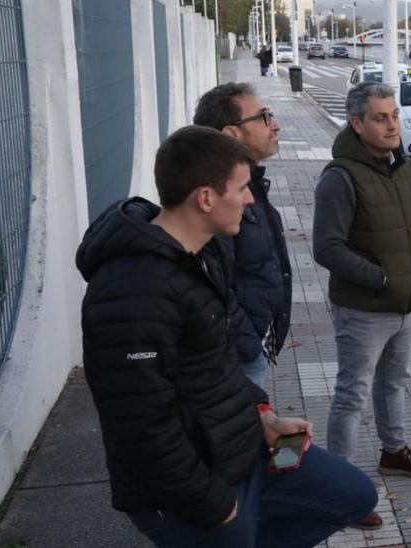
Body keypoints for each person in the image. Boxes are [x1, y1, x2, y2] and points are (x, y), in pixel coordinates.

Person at [77, 126, 383, 546]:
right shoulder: (133, 289)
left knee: (354, 494)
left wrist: (265, 418)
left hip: (238, 452)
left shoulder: (198, 255)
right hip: (190, 489)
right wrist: (215, 504)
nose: (250, 198)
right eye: (241, 188)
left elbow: (214, 367)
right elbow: (141, 426)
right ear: (206, 198)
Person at [312, 82, 411, 480]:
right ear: (356, 123)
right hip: (364, 307)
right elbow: (327, 248)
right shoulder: (340, 177)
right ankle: (340, 483)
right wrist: (382, 278)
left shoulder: (401, 165)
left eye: (395, 115)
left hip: (404, 304)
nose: (392, 126)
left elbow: (410, 230)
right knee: (352, 394)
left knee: (393, 384)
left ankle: (393, 452)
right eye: (380, 118)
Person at [193, 82, 291, 390]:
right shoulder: (216, 196)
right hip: (240, 357)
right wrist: (250, 343)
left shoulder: (249, 184)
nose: (275, 125)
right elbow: (213, 287)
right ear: (231, 134)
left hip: (252, 347)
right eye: (263, 117)